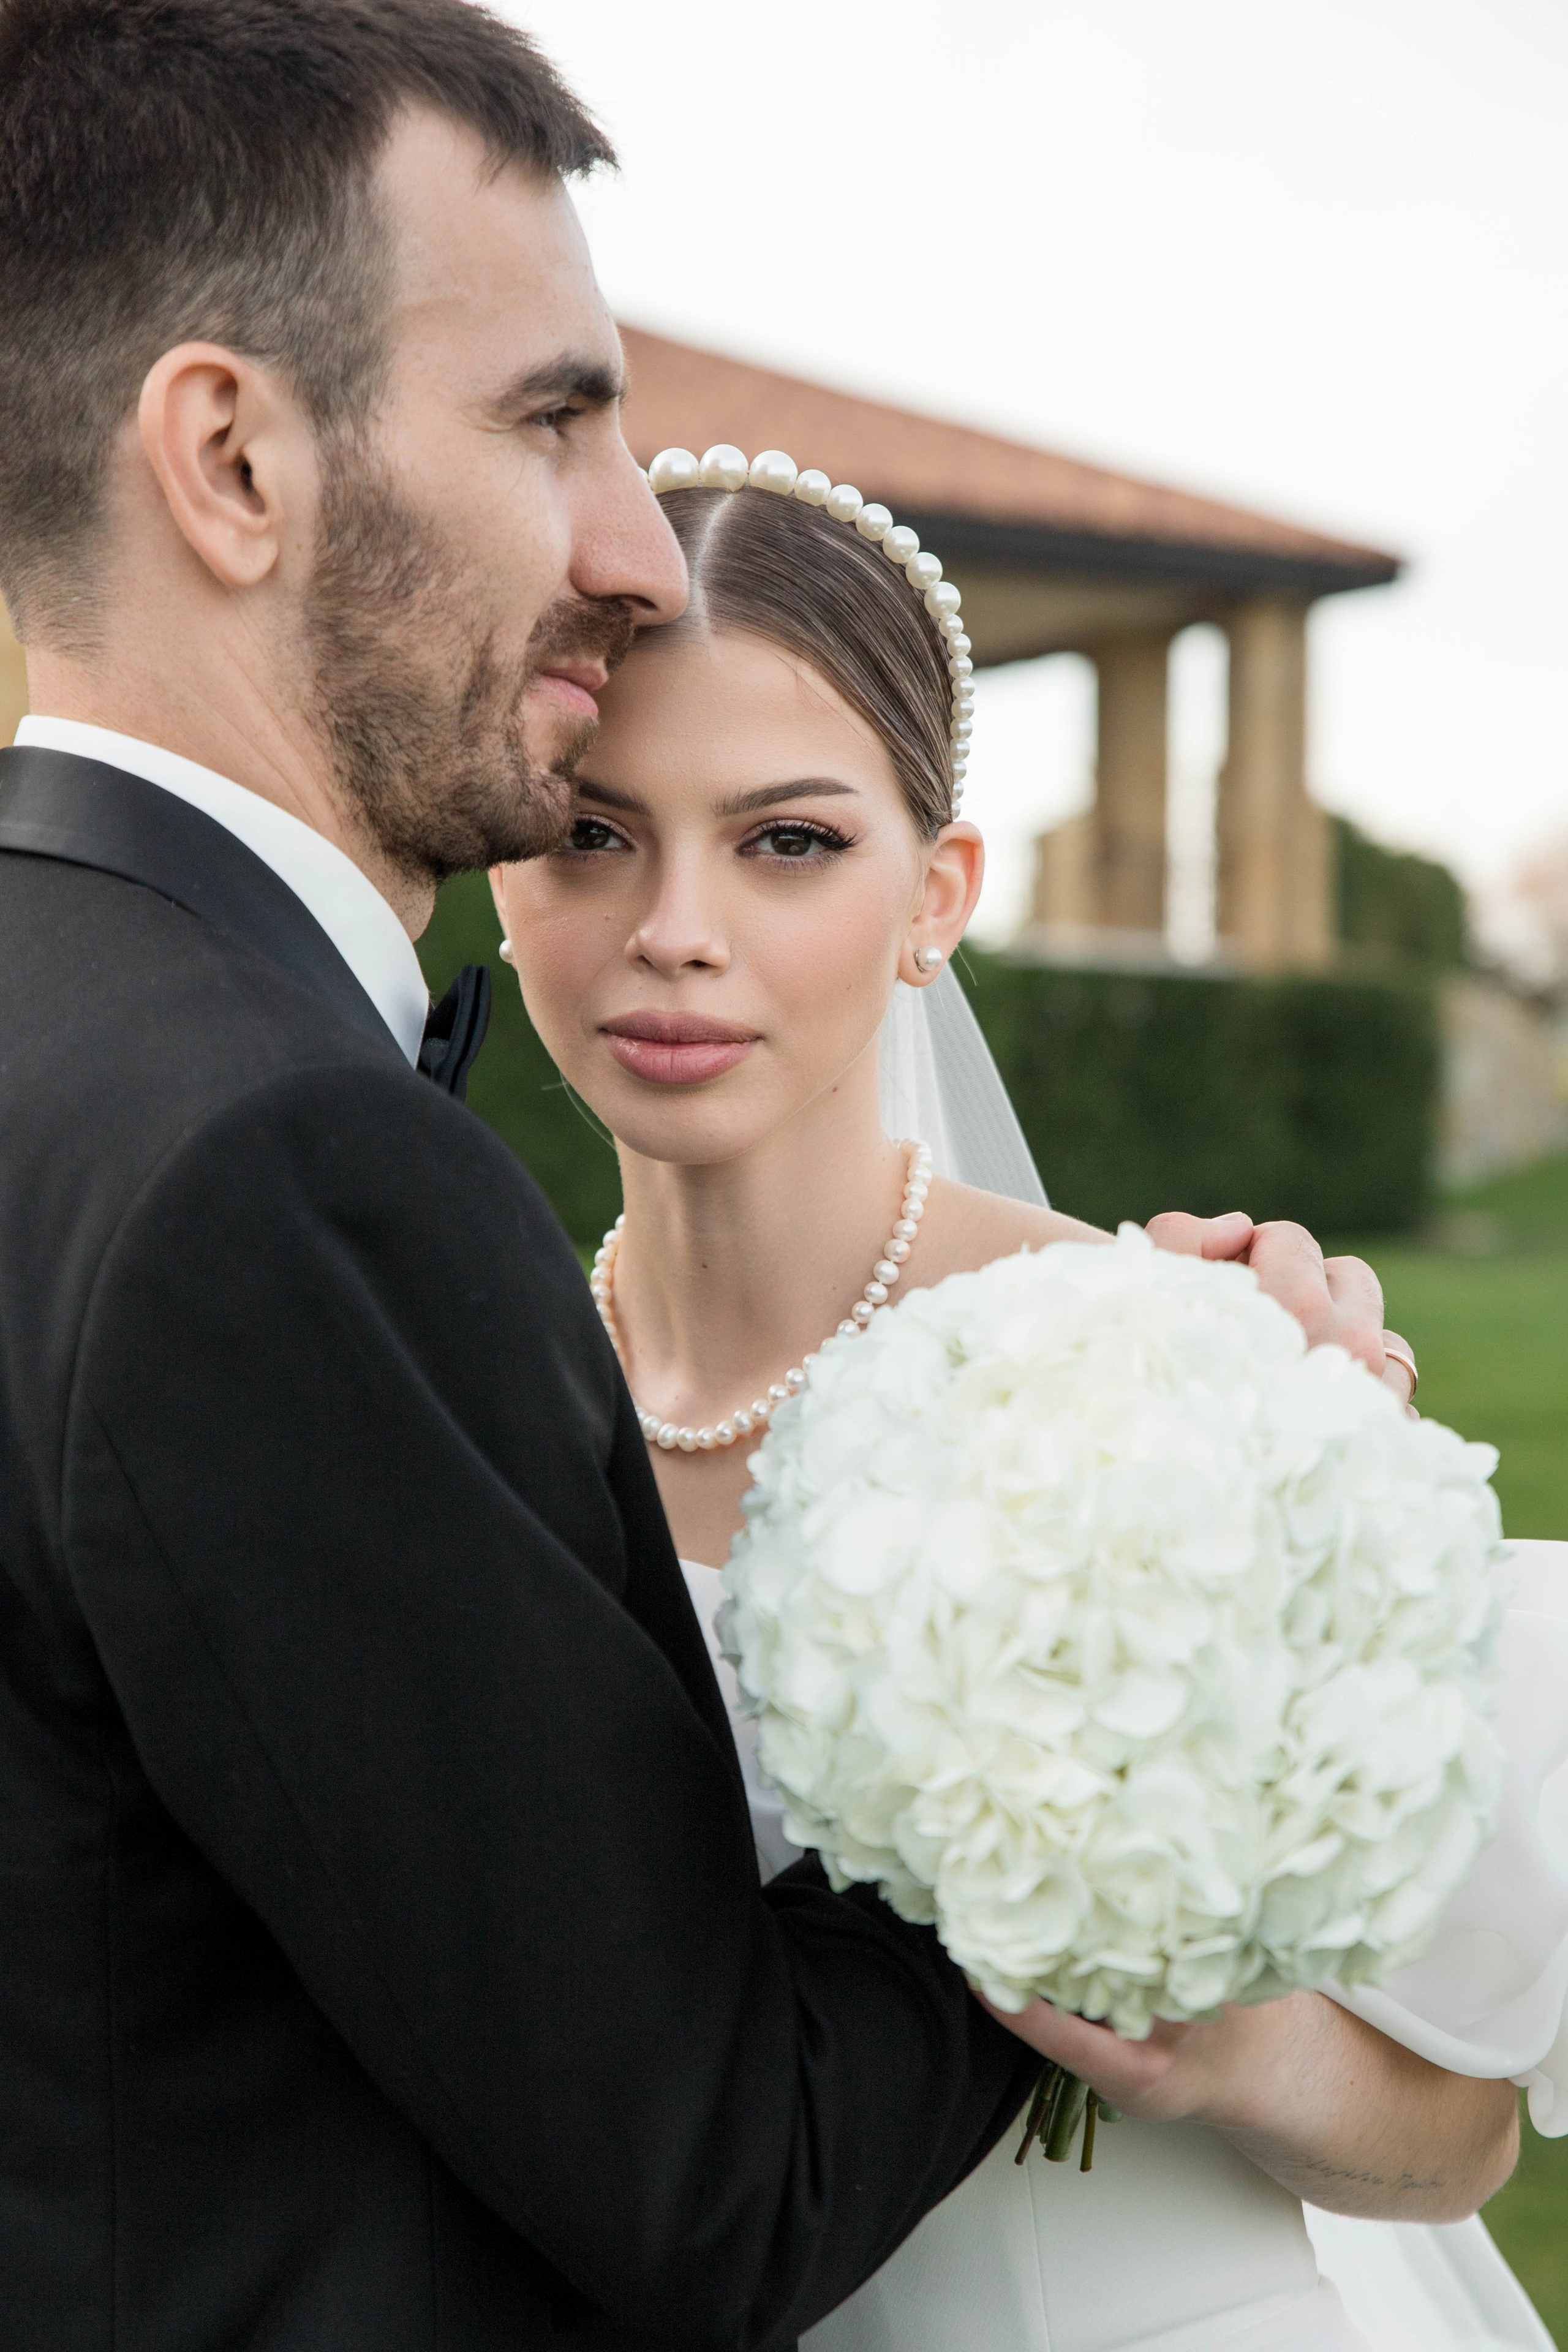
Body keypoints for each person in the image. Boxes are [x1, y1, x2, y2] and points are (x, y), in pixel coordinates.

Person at [491, 458, 1568, 2352]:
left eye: (789, 842)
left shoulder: (1191, 1386)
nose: (674, 925)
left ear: (941, 895)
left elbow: (1457, 2141)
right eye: (593, 831)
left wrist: (1230, 2056)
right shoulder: (466, 1393)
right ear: (504, 868)